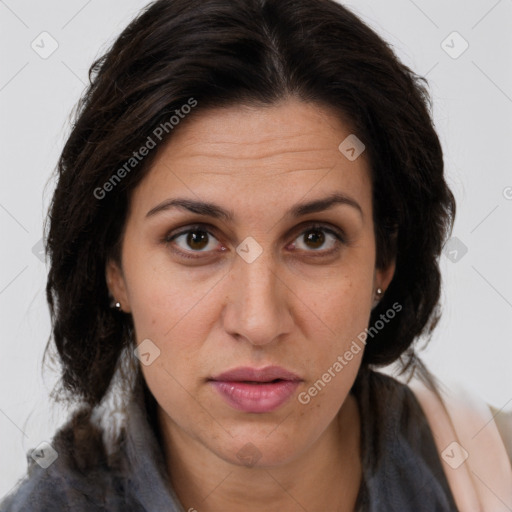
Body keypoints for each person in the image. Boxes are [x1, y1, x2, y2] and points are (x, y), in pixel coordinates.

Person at [1, 0, 511, 510]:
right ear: (113, 269)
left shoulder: (495, 476)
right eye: (196, 239)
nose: (260, 321)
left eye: (315, 238)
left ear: (384, 262)